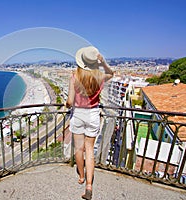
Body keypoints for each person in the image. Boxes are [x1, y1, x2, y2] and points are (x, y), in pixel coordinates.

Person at [65, 46, 113, 199]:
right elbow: (111, 73)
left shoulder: (75, 77)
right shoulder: (99, 76)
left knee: (79, 149)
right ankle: (89, 185)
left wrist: (66, 105)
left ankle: (81, 177)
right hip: (93, 114)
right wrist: (103, 62)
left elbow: (69, 101)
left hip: (78, 114)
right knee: (90, 150)